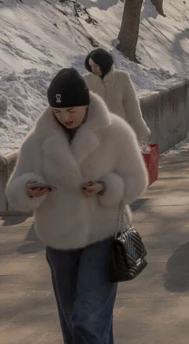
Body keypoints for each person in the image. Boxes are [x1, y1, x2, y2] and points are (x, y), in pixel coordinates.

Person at [5, 68, 149, 343]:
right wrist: (30, 188)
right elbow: (15, 187)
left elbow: (137, 179)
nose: (65, 117)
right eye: (58, 111)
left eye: (70, 109)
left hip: (104, 234)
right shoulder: (38, 139)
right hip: (58, 238)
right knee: (73, 321)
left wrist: (106, 186)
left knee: (89, 320)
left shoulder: (115, 132)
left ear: (85, 103)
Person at [83, 48, 151, 144]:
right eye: (91, 66)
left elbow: (132, 107)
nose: (94, 69)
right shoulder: (86, 80)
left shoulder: (122, 78)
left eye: (96, 65)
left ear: (104, 63)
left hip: (120, 132)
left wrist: (140, 132)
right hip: (96, 135)